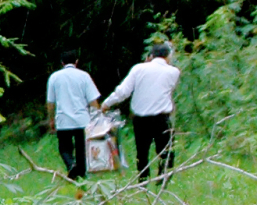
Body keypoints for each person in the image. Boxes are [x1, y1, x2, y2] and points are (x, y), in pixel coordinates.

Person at [102, 41, 183, 182]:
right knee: (166, 150)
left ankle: (143, 180)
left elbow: (123, 91)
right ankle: (162, 178)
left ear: (150, 56)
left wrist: (107, 103)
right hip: (162, 118)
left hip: (141, 118)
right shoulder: (174, 72)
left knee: (142, 151)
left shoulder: (138, 69)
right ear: (168, 57)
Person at [44, 54, 103, 180]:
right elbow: (93, 100)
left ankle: (71, 165)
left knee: (64, 148)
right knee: (82, 149)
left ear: (61, 62)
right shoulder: (84, 76)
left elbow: (50, 103)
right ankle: (81, 174)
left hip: (63, 120)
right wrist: (98, 117)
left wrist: (51, 119)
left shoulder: (54, 77)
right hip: (82, 119)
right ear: (76, 62)